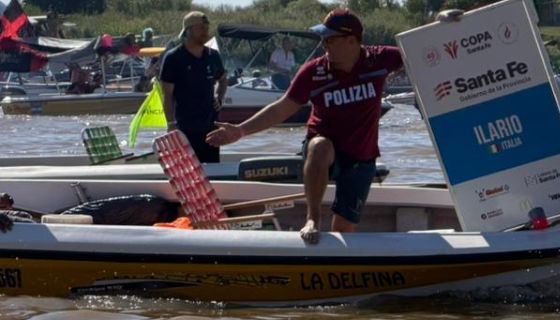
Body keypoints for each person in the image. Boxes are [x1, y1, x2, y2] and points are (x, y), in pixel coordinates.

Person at [206, 9, 406, 244]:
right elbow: (281, 109)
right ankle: (312, 219)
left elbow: (424, 50)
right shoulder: (313, 71)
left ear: (352, 41)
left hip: (361, 156)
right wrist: (240, 131)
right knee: (320, 146)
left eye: (330, 39)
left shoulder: (380, 59)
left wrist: (443, 23)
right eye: (323, 38)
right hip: (322, 148)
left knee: (344, 229)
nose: (324, 44)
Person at [160, 12, 226, 163]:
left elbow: (223, 80)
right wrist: (171, 125)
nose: (205, 32)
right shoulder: (173, 58)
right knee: (189, 169)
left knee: (212, 170)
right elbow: (167, 96)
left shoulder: (213, 55)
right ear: (188, 31)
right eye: (201, 28)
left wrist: (220, 97)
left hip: (211, 128)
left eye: (206, 28)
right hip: (185, 128)